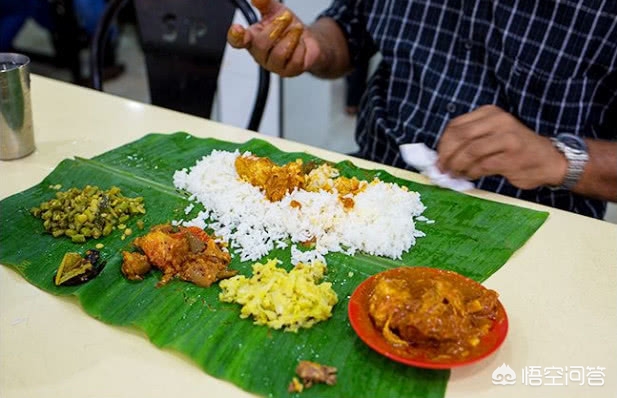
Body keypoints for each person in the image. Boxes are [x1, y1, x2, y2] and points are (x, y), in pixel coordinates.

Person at [227, 0, 617, 219]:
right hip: (372, 183)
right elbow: (350, 27)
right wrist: (312, 46)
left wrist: (560, 160)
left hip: (532, 213)